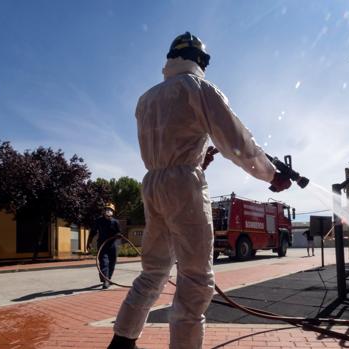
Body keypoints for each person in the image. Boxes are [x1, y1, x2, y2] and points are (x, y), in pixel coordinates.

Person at [107, 32, 292, 349]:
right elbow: (237, 143)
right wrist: (271, 175)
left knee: (153, 271)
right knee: (195, 277)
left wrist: (192, 159)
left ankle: (121, 342)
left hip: (153, 183)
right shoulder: (199, 89)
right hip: (183, 186)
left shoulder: (146, 100)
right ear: (200, 60)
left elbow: (170, 145)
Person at [86, 203, 121, 289]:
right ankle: (105, 280)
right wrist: (89, 242)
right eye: (107, 209)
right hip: (102, 245)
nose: (108, 211)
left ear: (113, 212)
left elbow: (119, 232)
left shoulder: (115, 222)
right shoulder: (99, 221)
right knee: (104, 262)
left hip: (112, 245)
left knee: (112, 263)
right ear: (104, 211)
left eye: (110, 210)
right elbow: (93, 232)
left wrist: (119, 235)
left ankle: (108, 279)